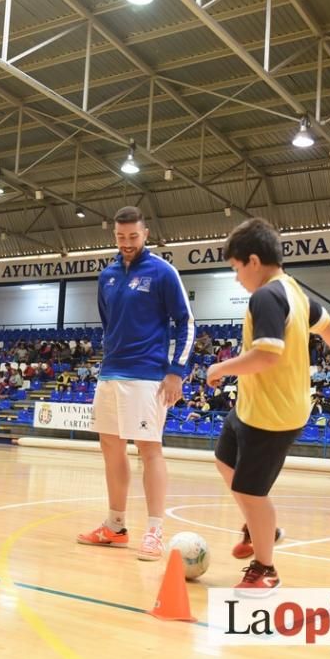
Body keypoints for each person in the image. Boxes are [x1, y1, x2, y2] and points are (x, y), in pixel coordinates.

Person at [203, 218, 330, 592]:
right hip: (251, 407)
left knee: (251, 493)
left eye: (236, 268)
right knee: (224, 461)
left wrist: (221, 368)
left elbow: (266, 357)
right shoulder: (295, 292)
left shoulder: (267, 296)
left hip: (272, 416)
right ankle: (261, 527)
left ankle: (266, 568)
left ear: (254, 261)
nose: (236, 277)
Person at [78, 205, 195, 562]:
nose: (127, 242)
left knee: (149, 449)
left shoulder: (163, 272)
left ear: (145, 234)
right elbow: (107, 322)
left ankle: (155, 531)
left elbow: (186, 322)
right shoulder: (107, 275)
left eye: (133, 236)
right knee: (110, 448)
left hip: (148, 377)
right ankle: (115, 526)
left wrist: (177, 370)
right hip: (111, 373)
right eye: (120, 237)